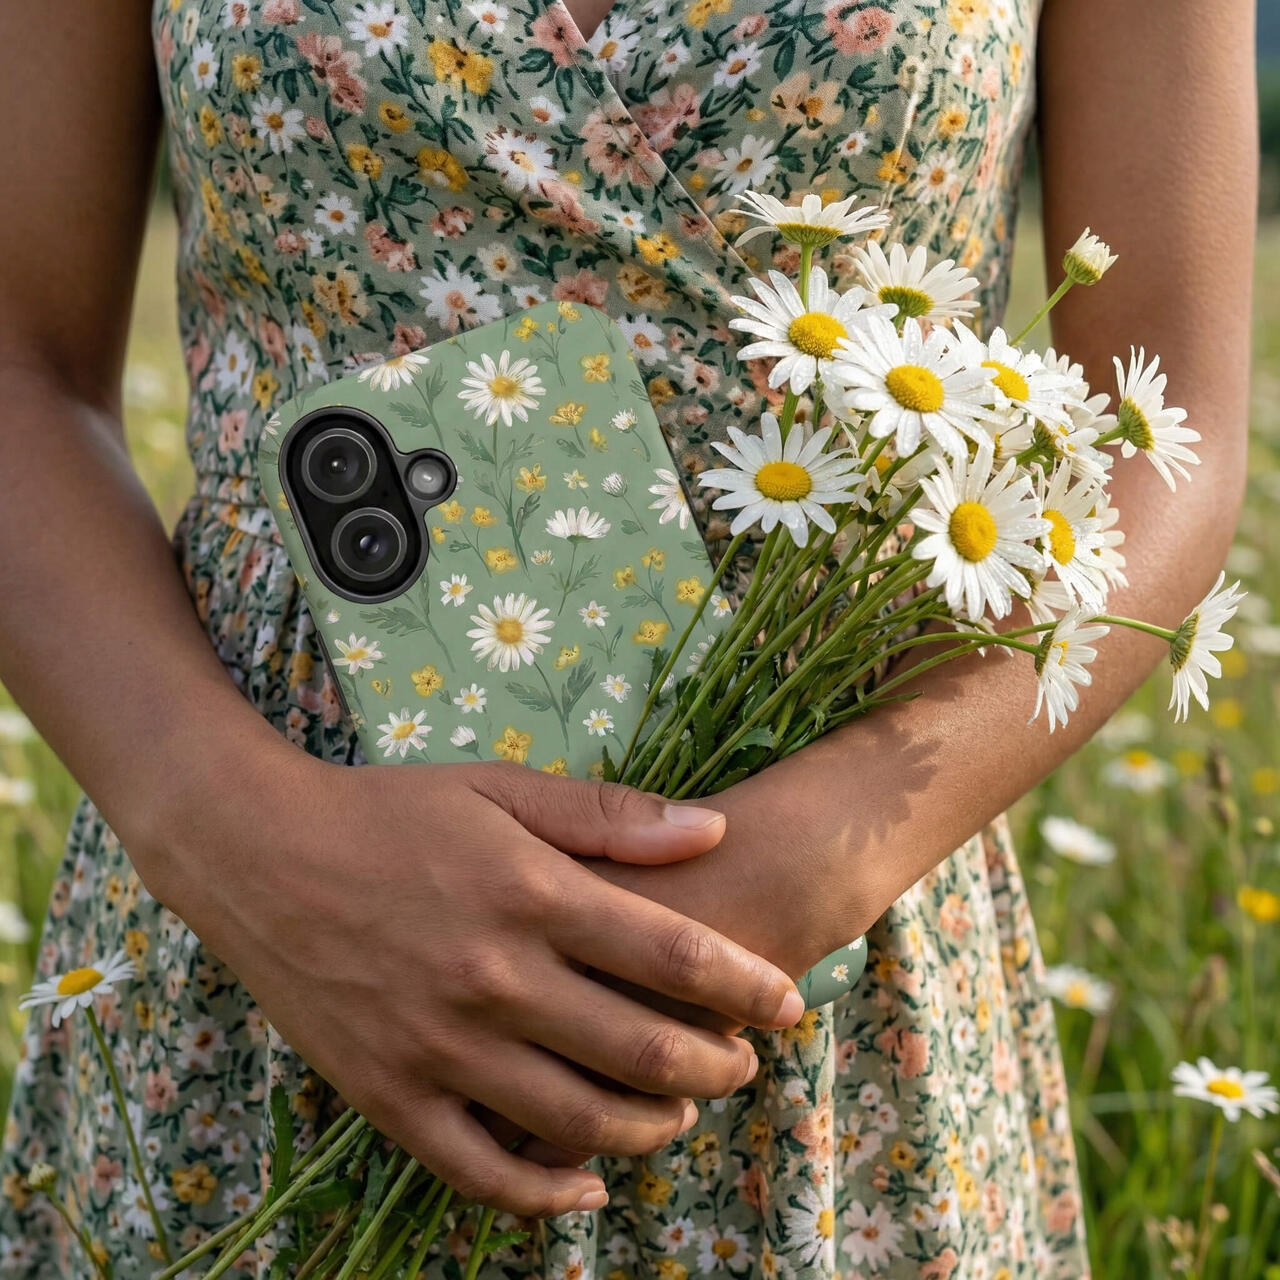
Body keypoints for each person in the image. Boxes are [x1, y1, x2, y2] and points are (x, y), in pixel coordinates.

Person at [0, 0, 1254, 1275]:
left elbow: (1161, 422)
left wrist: (813, 862)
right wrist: (246, 851)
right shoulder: (267, 889)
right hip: (267, 940)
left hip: (822, 963)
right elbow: (17, 361)